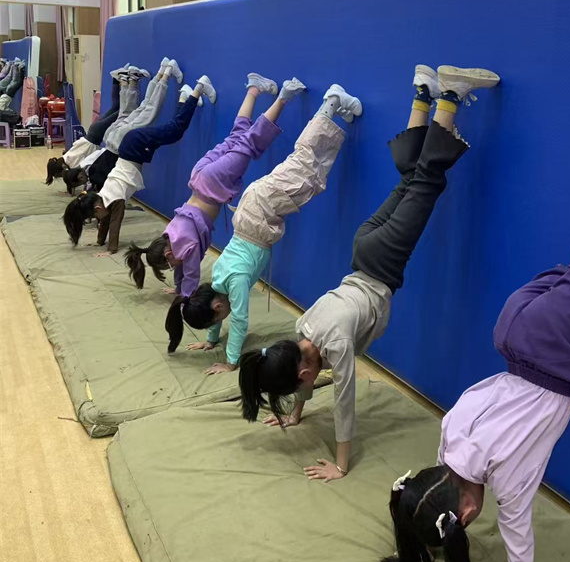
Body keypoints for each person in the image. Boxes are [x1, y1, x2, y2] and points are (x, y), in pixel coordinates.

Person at [381, 88, 570, 562]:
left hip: (552, 347)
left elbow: (519, 542)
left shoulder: (506, 481)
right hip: (514, 330)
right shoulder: (449, 439)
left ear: (464, 515)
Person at [237, 65, 500, 484]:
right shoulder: (303, 329)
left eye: (302, 387)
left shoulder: (337, 346)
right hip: (363, 249)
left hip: (383, 263)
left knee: (428, 181)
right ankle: (423, 92)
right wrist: (296, 414)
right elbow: (303, 377)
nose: (305, 387)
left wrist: (341, 465)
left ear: (304, 374)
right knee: (410, 180)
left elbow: (344, 402)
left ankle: (449, 96)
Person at [164, 83, 364, 371]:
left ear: (217, 308)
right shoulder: (217, 282)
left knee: (304, 169)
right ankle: (334, 113)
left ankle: (331, 102)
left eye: (217, 320)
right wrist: (212, 340)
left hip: (260, 211)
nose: (221, 319)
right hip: (253, 212)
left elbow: (239, 319)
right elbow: (217, 311)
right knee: (311, 179)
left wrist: (231, 361)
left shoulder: (234, 282)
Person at [125, 74, 305, 296]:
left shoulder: (187, 245)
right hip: (199, 175)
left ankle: (284, 96)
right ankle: (253, 89)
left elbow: (191, 274)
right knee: (238, 136)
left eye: (170, 266)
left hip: (213, 183)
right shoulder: (170, 235)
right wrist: (178, 288)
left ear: (169, 255)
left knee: (250, 142)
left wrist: (184, 297)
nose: (174, 268)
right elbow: (181, 268)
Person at [63, 71, 214, 254]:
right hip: (130, 146)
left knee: (176, 131)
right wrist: (99, 241)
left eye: (95, 217)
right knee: (172, 130)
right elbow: (106, 220)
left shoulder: (115, 199)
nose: (98, 221)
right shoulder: (102, 198)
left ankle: (198, 89)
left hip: (135, 146)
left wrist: (111, 249)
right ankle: (184, 97)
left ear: (97, 208)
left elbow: (115, 223)